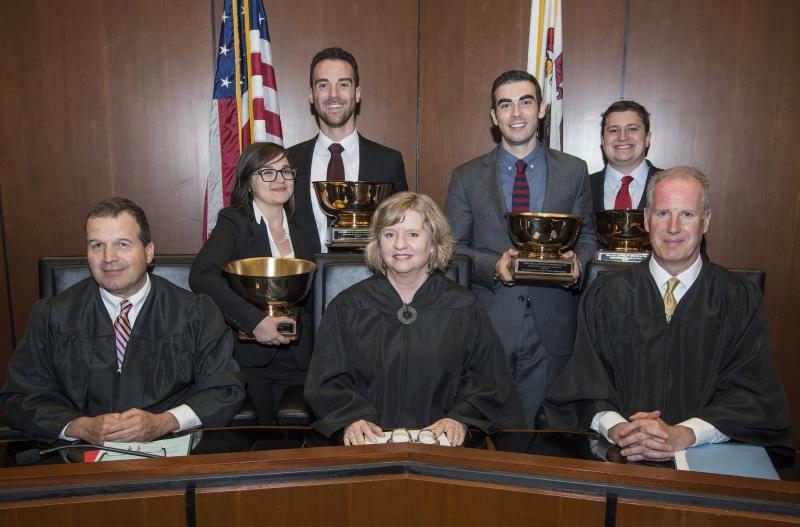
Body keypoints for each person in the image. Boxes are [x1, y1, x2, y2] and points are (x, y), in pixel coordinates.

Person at [545, 167, 797, 460]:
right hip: (618, 462)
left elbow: (753, 396)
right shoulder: (606, 295)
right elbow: (583, 383)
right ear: (646, 220)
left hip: (708, 466)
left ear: (706, 221)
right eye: (663, 213)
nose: (673, 227)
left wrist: (684, 434)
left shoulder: (737, 299)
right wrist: (618, 428)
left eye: (687, 215)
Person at [0, 198, 244, 445]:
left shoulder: (195, 313)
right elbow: (21, 397)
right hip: (78, 456)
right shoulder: (53, 315)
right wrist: (81, 426)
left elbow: (224, 388)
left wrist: (165, 421)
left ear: (148, 252)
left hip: (172, 451)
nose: (108, 258)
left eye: (122, 244)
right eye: (97, 245)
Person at [304, 192, 522, 446]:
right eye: (389, 234)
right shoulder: (348, 306)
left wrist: (460, 418)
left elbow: (489, 381)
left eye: (413, 234)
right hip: (368, 448)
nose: (399, 245)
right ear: (378, 243)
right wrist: (351, 419)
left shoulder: (463, 307)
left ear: (433, 244)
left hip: (441, 449)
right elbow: (326, 381)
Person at [444, 70, 596, 427]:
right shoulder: (466, 176)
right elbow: (450, 248)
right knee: (486, 442)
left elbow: (587, 237)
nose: (516, 113)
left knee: (545, 447)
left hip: (553, 331)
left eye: (525, 102)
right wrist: (493, 265)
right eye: (505, 105)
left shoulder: (574, 171)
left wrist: (579, 265)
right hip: (488, 329)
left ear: (542, 109)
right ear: (494, 116)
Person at [190, 143, 319, 424]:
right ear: (248, 181)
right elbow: (201, 276)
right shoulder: (233, 223)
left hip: (302, 359)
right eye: (268, 172)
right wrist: (254, 321)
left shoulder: (304, 230)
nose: (280, 179)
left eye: (285, 171)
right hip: (250, 360)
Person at [287, 47, 408, 251]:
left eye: (343, 84)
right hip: (304, 281)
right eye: (323, 85)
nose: (333, 95)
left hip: (368, 279)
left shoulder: (389, 161)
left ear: (357, 93)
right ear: (311, 95)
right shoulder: (288, 161)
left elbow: (402, 228)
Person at [590, 100, 660, 211]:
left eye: (632, 129)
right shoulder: (584, 188)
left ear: (647, 138)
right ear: (603, 141)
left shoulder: (672, 184)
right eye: (614, 130)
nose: (622, 137)